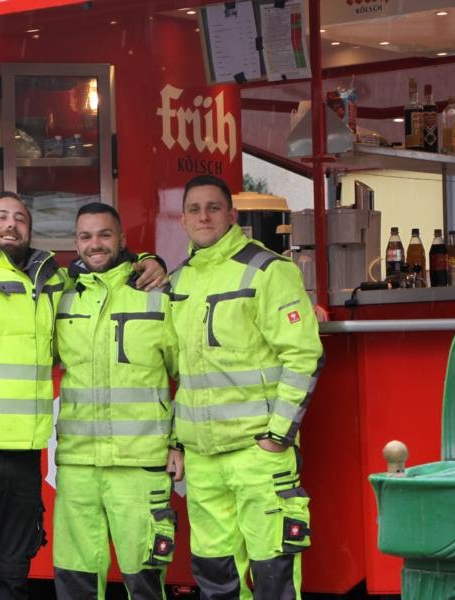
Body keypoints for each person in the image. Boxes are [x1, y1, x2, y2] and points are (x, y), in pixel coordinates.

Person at [0, 192, 166, 599]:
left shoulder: (51, 283)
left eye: (21, 218)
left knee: (9, 581)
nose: (11, 224)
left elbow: (102, 273)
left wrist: (148, 261)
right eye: (1, 216)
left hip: (21, 458)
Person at [168, 175, 323, 600]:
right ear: (182, 220)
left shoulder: (269, 270)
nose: (204, 216)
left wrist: (277, 437)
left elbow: (304, 357)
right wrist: (177, 442)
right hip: (202, 459)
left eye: (213, 207)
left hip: (259, 454)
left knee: (273, 577)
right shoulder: (178, 282)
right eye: (194, 209)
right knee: (215, 578)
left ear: (232, 215)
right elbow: (179, 372)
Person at [52, 203, 182, 600]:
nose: (95, 244)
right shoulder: (60, 297)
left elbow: (192, 376)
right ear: (76, 243)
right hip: (77, 466)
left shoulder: (158, 295)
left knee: (143, 583)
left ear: (123, 239)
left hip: (140, 464)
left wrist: (178, 442)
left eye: (105, 235)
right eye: (86, 236)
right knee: (75, 582)